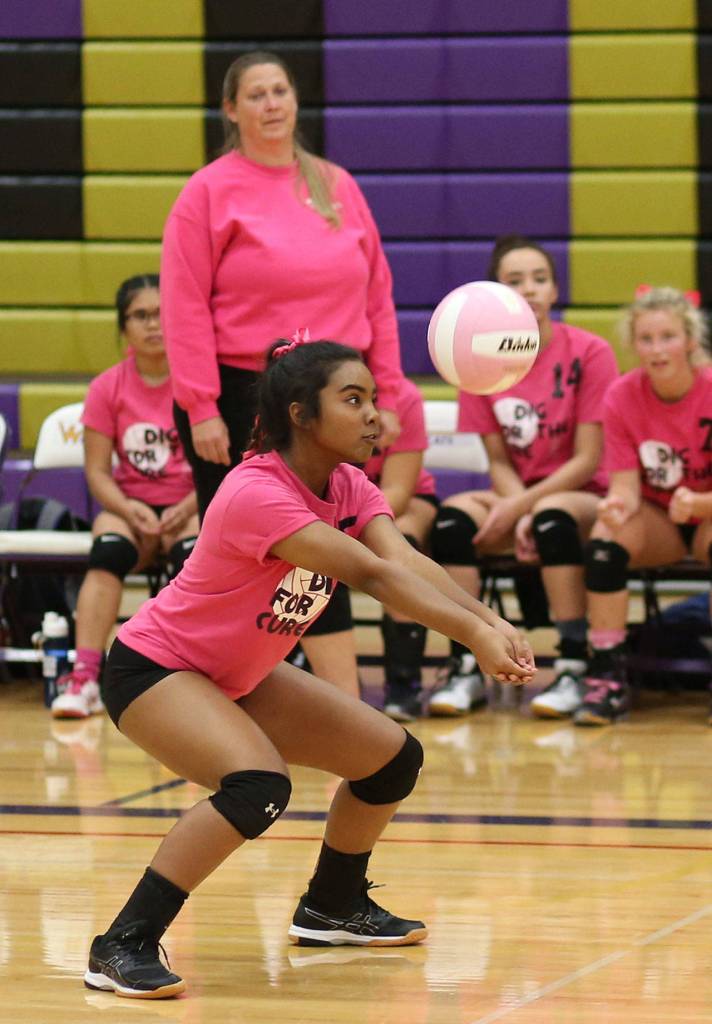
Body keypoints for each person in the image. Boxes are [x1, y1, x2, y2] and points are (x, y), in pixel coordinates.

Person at [83, 339, 535, 999]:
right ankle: (122, 943)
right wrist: (472, 634)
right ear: (300, 413)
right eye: (352, 400)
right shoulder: (255, 491)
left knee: (390, 759)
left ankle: (333, 905)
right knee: (256, 786)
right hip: (156, 668)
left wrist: (492, 624)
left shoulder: (347, 483)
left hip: (239, 674)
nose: (373, 415)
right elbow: (373, 574)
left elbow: (405, 559)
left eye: (373, 399)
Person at [162, 49, 405, 521]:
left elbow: (378, 300)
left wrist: (387, 398)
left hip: (335, 390)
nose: (271, 104)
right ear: (231, 110)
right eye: (256, 95)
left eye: (280, 91)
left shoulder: (338, 185)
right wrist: (201, 409)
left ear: (295, 100)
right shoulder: (207, 192)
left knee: (330, 546)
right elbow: (183, 305)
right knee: (252, 551)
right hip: (243, 396)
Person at [428, 234, 619, 717]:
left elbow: (589, 459)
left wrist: (524, 508)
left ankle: (574, 665)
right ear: (498, 294)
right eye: (515, 281)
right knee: (450, 523)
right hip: (513, 490)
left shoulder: (590, 352)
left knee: (552, 519)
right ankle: (467, 663)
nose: (530, 289)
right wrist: (515, 505)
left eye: (539, 279)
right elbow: (496, 458)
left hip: (579, 493)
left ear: (555, 290)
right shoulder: (477, 357)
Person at [50, 275, 199, 720]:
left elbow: (221, 465)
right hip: (127, 505)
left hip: (189, 504)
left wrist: (188, 506)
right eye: (141, 315)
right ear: (123, 328)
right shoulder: (107, 388)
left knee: (195, 558)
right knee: (108, 551)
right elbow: (96, 471)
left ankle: (189, 679)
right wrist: (126, 508)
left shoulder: (197, 383)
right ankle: (84, 679)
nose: (153, 324)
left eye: (161, 314)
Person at [577, 286, 712, 726]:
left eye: (668, 337)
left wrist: (699, 503)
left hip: (707, 511)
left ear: (690, 340)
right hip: (662, 519)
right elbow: (625, 486)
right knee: (604, 544)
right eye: (647, 339)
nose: (657, 349)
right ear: (634, 345)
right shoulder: (621, 395)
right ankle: (607, 677)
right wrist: (616, 506)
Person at [298, 376, 439, 720]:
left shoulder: (404, 396)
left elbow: (399, 492)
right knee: (305, 549)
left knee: (399, 545)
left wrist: (348, 526)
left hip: (396, 503)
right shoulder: (312, 392)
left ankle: (404, 679)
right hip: (325, 507)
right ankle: (313, 667)